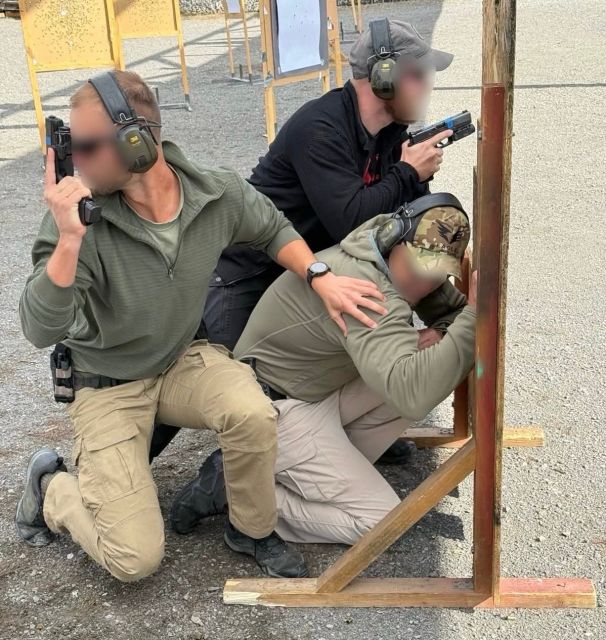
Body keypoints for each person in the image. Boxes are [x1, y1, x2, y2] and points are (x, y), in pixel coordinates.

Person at [15, 71, 387, 581]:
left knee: (253, 412)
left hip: (178, 361)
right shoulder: (78, 219)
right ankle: (51, 490)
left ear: (136, 142)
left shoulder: (215, 193)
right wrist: (69, 241)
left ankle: (250, 528)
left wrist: (319, 275)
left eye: (85, 146)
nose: (74, 161)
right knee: (134, 559)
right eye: (70, 145)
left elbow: (272, 228)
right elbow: (39, 328)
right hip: (106, 384)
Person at [152, 18, 457, 464]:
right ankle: (108, 472)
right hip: (246, 275)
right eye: (417, 73)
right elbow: (350, 219)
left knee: (356, 330)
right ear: (383, 76)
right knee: (226, 380)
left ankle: (341, 433)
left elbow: (403, 224)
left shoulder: (390, 136)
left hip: (311, 273)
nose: (426, 84)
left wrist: (417, 184)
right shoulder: (320, 126)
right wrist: (408, 171)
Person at [170, 194, 477, 543]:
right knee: (381, 523)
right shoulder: (367, 289)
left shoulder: (383, 252)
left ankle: (290, 469)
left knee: (427, 360)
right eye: (418, 267)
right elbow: (414, 395)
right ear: (395, 238)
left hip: (312, 390)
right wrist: (471, 318)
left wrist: (442, 331)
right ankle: (237, 490)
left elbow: (448, 316)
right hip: (271, 410)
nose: (423, 284)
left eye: (437, 275)